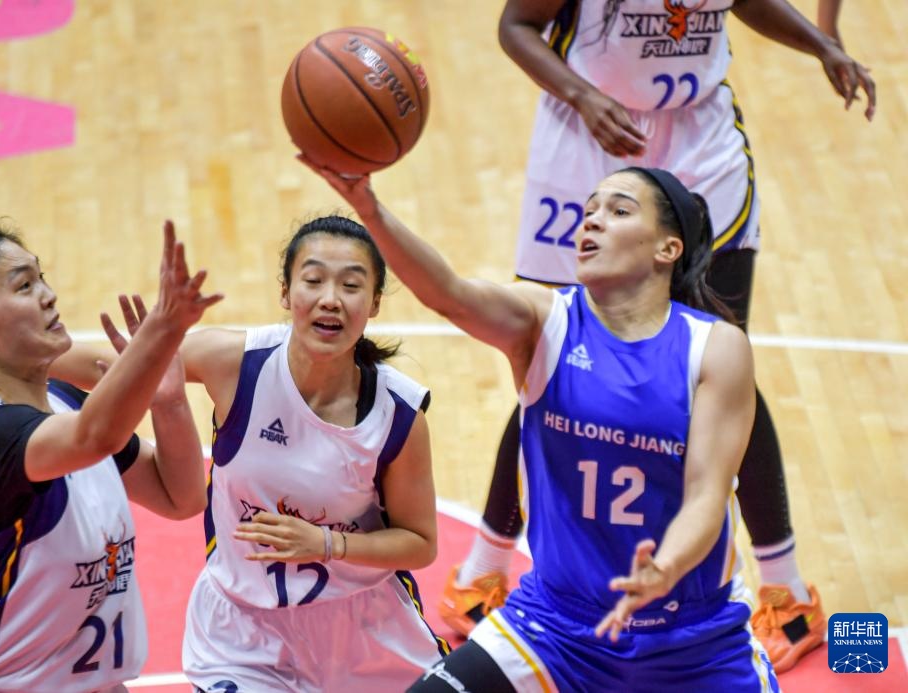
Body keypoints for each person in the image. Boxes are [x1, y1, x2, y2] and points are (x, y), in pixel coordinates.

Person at [441, 0, 877, 673]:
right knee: (553, 361)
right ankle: (483, 571)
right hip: (590, 136)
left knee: (726, 366)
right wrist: (583, 96)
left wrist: (822, 43)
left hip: (700, 143)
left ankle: (785, 590)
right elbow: (514, 26)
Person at [306, 159, 778, 691]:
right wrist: (369, 207)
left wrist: (665, 568)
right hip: (554, 628)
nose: (592, 220)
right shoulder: (545, 320)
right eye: (590, 209)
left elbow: (707, 496)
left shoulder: (714, 347)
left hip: (695, 642)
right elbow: (448, 294)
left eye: (619, 210)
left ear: (668, 249)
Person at [55, 216, 450, 692]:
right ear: (286, 292)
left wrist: (328, 544)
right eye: (313, 280)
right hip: (244, 636)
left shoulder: (396, 414)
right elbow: (102, 365)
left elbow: (419, 543)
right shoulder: (235, 363)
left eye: (350, 285)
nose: (330, 298)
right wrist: (5, 351)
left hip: (366, 631)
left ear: (374, 303)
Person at [0, 220, 221, 692]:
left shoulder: (66, 404)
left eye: (40, 277)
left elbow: (181, 497)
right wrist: (161, 331)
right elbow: (95, 437)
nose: (48, 295)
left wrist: (169, 402)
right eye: (24, 286)